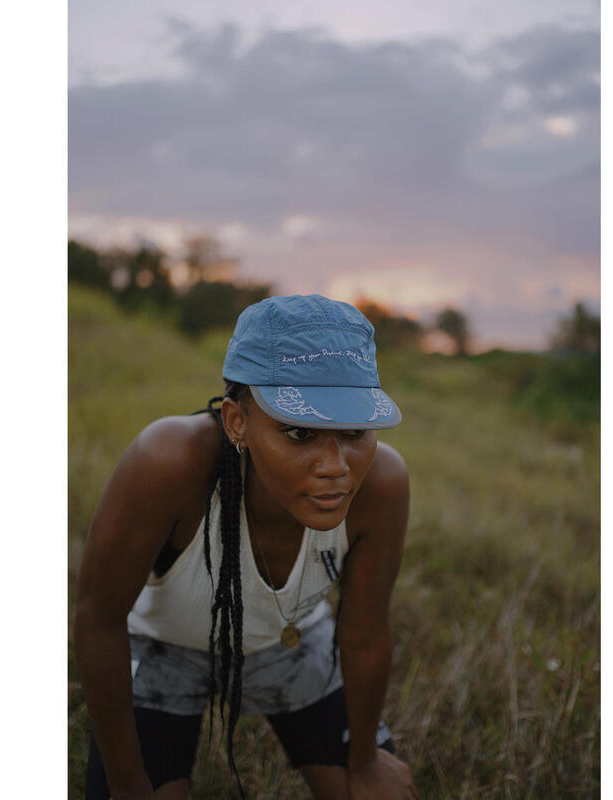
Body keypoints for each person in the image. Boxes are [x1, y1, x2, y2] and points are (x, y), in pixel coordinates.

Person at [74, 294, 419, 799]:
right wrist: (128, 786)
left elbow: (365, 635)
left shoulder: (382, 482)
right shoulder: (167, 461)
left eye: (354, 431)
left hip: (291, 646)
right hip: (164, 649)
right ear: (238, 421)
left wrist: (365, 760)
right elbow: (98, 621)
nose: (335, 465)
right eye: (300, 432)